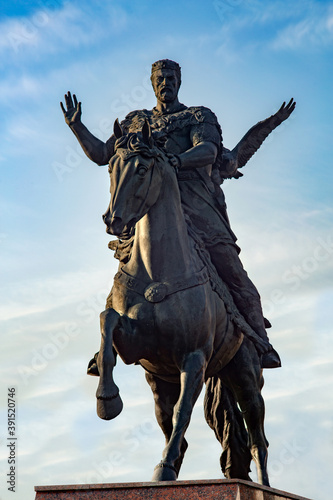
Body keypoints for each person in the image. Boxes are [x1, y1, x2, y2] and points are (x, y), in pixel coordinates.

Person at [61, 59, 290, 368]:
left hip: (197, 211)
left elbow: (207, 150)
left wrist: (175, 162)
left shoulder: (197, 116)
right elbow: (104, 154)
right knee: (126, 274)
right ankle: (107, 347)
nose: (165, 82)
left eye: (170, 77)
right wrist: (77, 127)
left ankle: (261, 344)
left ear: (178, 81)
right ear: (152, 83)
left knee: (233, 272)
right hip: (150, 212)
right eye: (160, 78)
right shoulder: (135, 121)